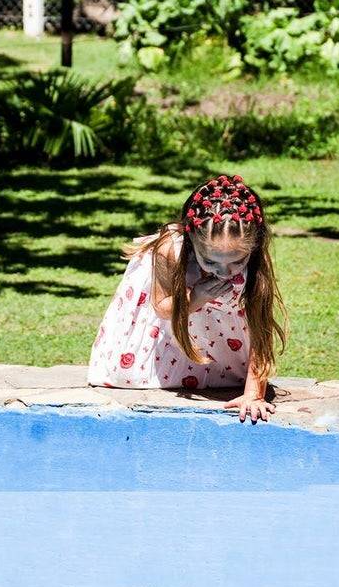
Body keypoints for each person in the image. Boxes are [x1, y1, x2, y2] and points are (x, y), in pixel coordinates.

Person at [87, 174, 287, 424]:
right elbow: (161, 308)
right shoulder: (170, 249)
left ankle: (212, 368)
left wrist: (254, 395)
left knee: (225, 378)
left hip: (218, 330)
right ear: (191, 238)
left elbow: (260, 327)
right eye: (211, 261)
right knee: (126, 376)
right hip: (170, 323)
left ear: (253, 245)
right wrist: (196, 297)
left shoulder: (254, 258)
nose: (225, 272)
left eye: (237, 262)